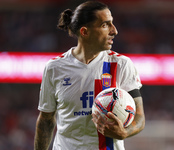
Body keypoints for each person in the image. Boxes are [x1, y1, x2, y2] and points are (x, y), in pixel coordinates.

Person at [34, 1, 145, 150]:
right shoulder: (55, 68)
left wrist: (124, 132)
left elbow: (139, 117)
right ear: (85, 32)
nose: (114, 31)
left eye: (112, 23)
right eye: (105, 25)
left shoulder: (121, 64)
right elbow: (46, 120)